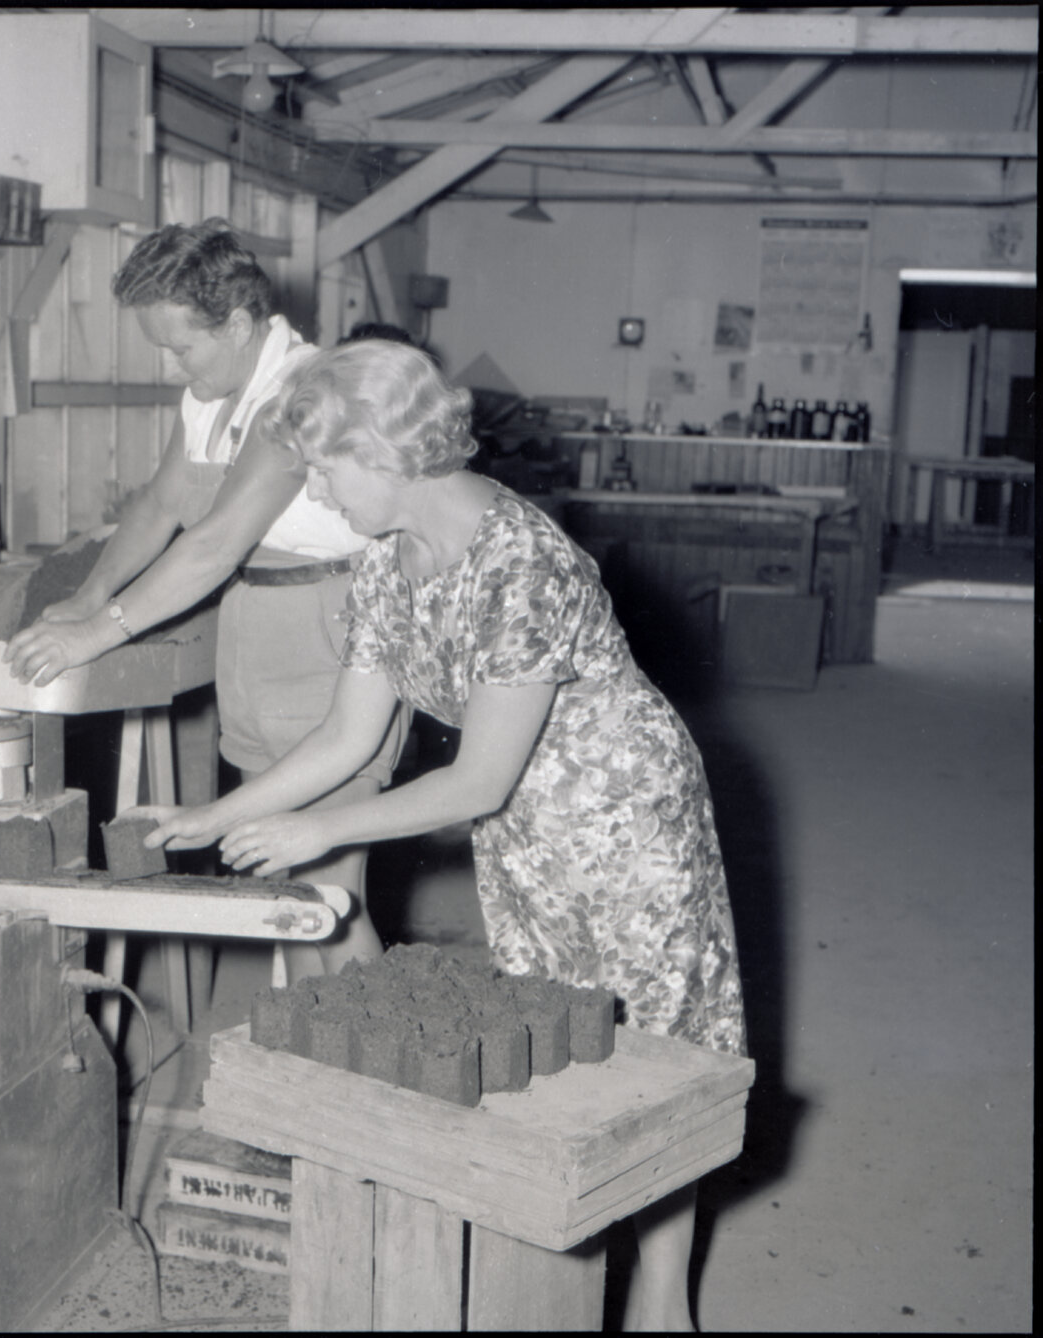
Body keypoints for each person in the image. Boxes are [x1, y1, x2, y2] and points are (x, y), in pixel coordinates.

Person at [142, 339, 746, 1332]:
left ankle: (659, 1297)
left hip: (621, 817)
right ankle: (566, 1259)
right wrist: (211, 816)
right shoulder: (386, 561)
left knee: (654, 1055)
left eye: (328, 468)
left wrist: (317, 832)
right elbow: (344, 735)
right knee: (563, 1045)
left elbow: (475, 777)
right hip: (521, 833)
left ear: (384, 452)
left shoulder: (522, 562)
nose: (322, 493)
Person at [2, 220, 406, 973]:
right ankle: (319, 1059)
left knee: (329, 891)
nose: (174, 366)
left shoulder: (299, 390)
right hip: (256, 624)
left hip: (328, 631)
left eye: (182, 347)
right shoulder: (214, 391)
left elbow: (216, 540)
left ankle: (374, 1067)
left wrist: (97, 637)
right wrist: (91, 595)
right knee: (282, 877)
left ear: (242, 325)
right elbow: (161, 504)